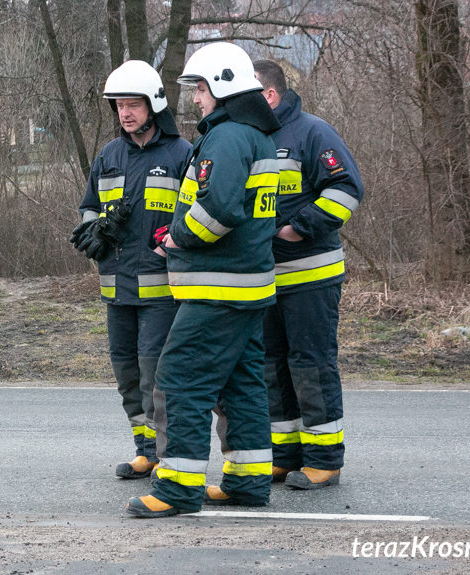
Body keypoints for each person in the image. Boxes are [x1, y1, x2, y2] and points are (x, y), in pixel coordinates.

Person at [125, 42, 280, 517]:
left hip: (217, 290)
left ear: (224, 87)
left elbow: (220, 210)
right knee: (241, 385)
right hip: (245, 287)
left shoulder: (228, 137)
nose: (195, 99)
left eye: (200, 89)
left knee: (179, 380)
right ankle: (248, 482)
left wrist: (177, 239)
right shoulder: (253, 134)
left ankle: (176, 487)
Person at [70, 60, 192, 479]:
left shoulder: (181, 154)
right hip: (116, 288)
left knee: (153, 375)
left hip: (160, 291)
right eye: (120, 105)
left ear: (154, 105)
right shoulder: (108, 155)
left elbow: (194, 213)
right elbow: (87, 206)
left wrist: (170, 244)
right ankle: (144, 450)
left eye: (133, 104)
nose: (125, 113)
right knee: (126, 374)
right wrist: (96, 229)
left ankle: (165, 454)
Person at [251, 59, 364, 489]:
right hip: (265, 276)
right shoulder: (251, 137)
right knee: (272, 366)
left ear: (270, 95)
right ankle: (284, 455)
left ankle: (324, 460)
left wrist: (301, 227)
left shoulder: (313, 132)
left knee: (311, 364)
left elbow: (346, 189)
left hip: (311, 274)